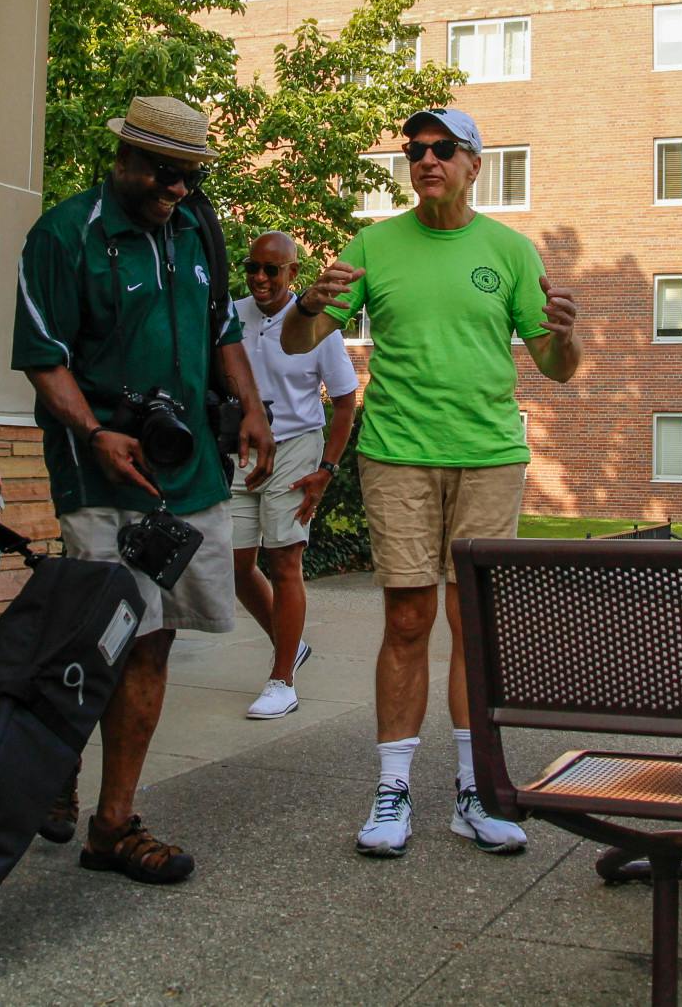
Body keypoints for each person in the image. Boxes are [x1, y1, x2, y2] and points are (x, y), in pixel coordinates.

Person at [282, 107, 581, 859]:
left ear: (475, 162)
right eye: (414, 150)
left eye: (442, 148)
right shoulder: (375, 244)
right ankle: (392, 791)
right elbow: (298, 342)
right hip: (399, 454)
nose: (425, 159)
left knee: (474, 627)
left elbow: (556, 366)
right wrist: (310, 303)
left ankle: (475, 791)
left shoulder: (509, 251)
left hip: (488, 455)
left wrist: (567, 331)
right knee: (409, 620)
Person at [13, 94, 274, 884]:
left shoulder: (195, 227)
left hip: (188, 474)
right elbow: (42, 358)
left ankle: (113, 822)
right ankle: (53, 760)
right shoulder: (65, 236)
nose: (176, 190)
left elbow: (223, 329)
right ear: (125, 157)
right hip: (101, 473)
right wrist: (94, 431)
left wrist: (253, 407)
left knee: (154, 638)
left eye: (190, 176)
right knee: (97, 638)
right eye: (165, 173)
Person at [230, 231, 360, 720]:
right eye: (252, 267)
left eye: (272, 270)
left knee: (284, 561)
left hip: (296, 447)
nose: (260, 278)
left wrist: (326, 469)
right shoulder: (231, 316)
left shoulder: (314, 326)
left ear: (293, 275)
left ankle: (282, 679)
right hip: (241, 449)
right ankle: (292, 643)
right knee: (233, 562)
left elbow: (345, 403)